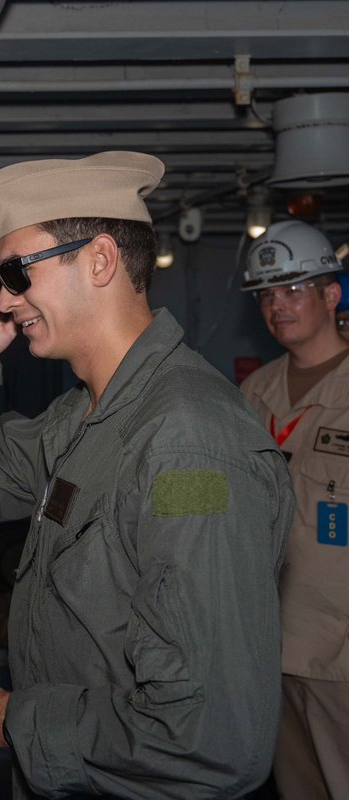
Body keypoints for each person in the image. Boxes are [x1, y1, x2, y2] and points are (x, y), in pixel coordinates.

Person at [0, 151, 294, 799]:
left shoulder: (187, 445)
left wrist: (6, 721)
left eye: (13, 272)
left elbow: (214, 738)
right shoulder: (86, 415)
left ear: (99, 260)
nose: (2, 299)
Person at [239, 220, 349, 800]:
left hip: (342, 654)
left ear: (332, 294)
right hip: (271, 645)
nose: (277, 306)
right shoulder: (253, 396)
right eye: (266, 295)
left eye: (294, 290)